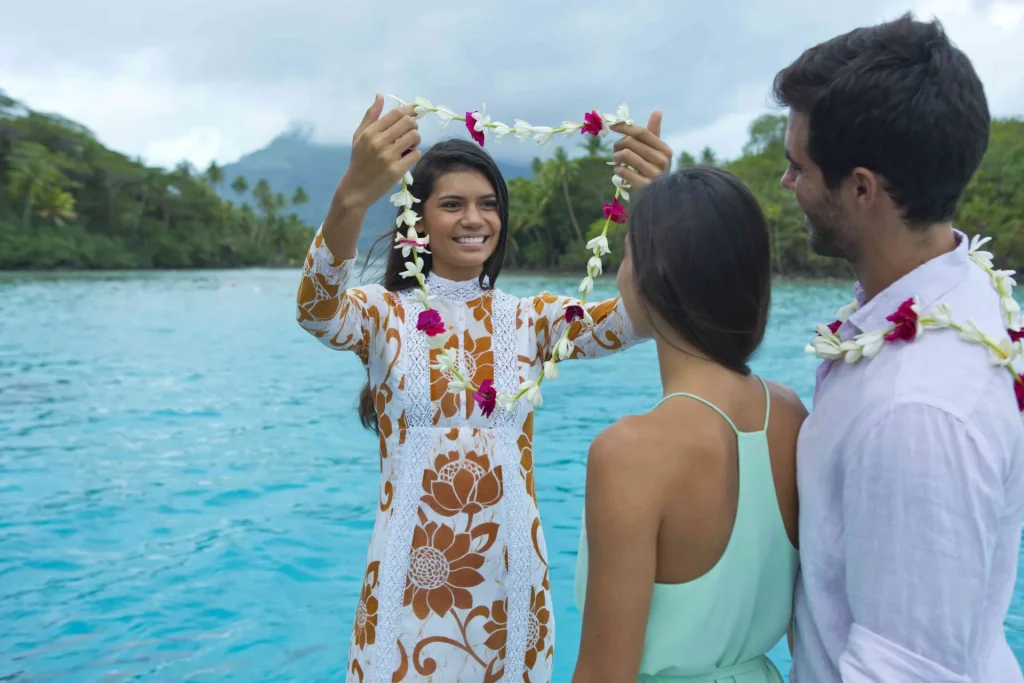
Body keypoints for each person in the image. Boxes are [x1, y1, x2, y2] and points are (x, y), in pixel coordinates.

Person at [295, 94, 673, 683]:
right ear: (416, 220)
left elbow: (638, 319)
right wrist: (352, 194)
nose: (475, 220)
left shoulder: (531, 320)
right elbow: (317, 311)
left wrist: (654, 205)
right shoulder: (382, 315)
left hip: (511, 584)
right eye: (452, 204)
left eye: (488, 205)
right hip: (406, 586)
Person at [776, 14, 1024, 683]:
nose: (786, 185)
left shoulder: (917, 407)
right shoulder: (955, 287)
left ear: (861, 188)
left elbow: (908, 671)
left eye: (798, 167)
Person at [571, 166, 807, 683]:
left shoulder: (631, 452)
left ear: (655, 275)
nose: (619, 273)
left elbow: (603, 674)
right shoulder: (791, 414)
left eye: (628, 254)